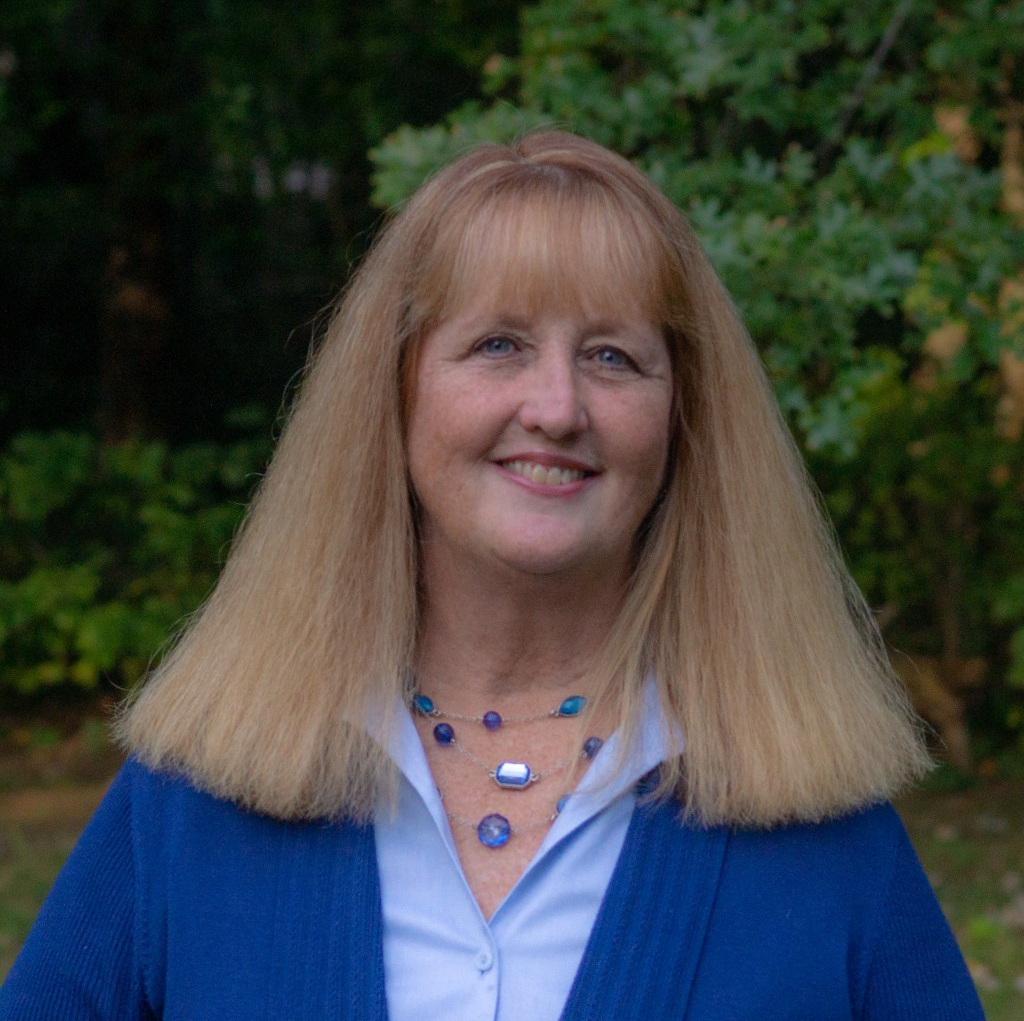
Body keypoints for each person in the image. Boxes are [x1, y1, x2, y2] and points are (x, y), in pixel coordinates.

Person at [0, 131, 984, 1020]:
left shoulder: (825, 832)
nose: (556, 407)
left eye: (611, 355)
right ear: (395, 391)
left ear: (681, 420)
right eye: (498, 344)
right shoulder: (189, 797)